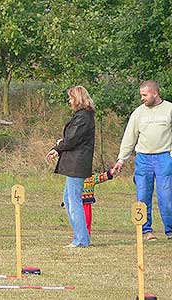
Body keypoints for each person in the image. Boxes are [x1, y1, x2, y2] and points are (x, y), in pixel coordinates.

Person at [114, 80, 172, 241]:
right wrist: (121, 159)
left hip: (164, 158)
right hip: (143, 159)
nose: (142, 98)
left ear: (155, 93)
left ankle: (170, 230)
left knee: (166, 196)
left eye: (145, 95)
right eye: (141, 95)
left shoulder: (169, 109)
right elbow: (129, 137)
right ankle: (146, 231)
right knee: (142, 196)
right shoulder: (138, 113)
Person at [46, 85, 95, 248]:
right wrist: (61, 145)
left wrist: (57, 147)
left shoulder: (83, 117)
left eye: (71, 98)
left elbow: (72, 139)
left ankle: (81, 239)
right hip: (75, 162)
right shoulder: (82, 116)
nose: (69, 101)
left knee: (73, 201)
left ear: (77, 99)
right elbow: (72, 138)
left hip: (77, 164)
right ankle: (81, 237)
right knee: (68, 200)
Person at [61, 168, 115, 235]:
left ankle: (85, 235)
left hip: (85, 203)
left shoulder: (90, 178)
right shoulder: (73, 179)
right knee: (77, 220)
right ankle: (80, 234)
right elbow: (68, 191)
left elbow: (102, 177)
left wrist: (110, 172)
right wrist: (65, 202)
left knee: (86, 220)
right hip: (76, 202)